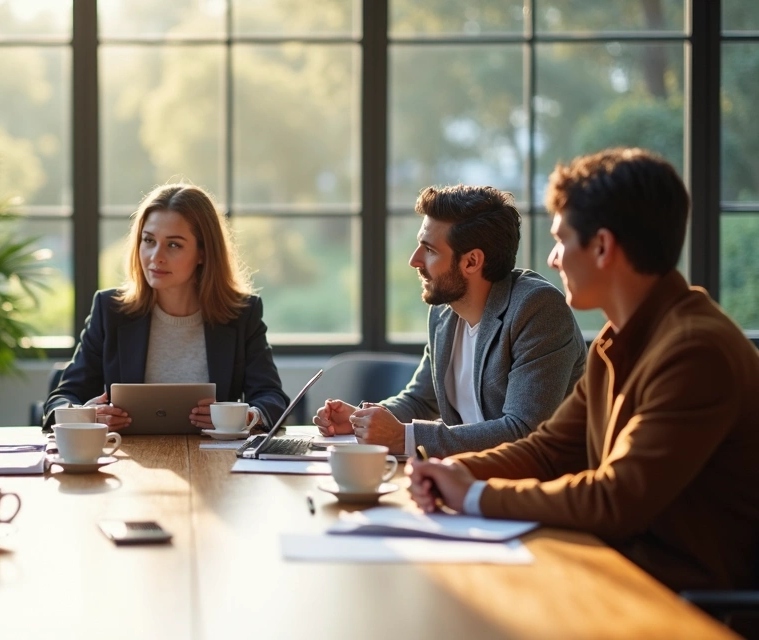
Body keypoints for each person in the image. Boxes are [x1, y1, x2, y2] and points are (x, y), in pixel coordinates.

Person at [409, 148, 759, 592]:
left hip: (687, 604)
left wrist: (473, 494)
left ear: (602, 246)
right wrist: (457, 471)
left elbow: (615, 499)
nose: (553, 260)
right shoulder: (617, 343)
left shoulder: (694, 350)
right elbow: (547, 451)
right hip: (620, 575)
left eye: (561, 240)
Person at [313, 185, 586, 457]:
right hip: (464, 478)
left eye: (429, 250)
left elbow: (523, 432)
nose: (414, 260)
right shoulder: (444, 311)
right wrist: (361, 420)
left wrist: (406, 437)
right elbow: (420, 399)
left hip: (533, 488)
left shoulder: (537, 309)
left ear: (472, 262)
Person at [43, 184, 288, 431]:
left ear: (203, 253)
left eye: (173, 245)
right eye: (148, 240)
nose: (155, 256)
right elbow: (60, 401)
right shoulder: (110, 311)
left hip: (216, 460)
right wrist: (87, 415)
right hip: (128, 460)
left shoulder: (242, 314)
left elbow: (273, 400)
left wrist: (244, 417)